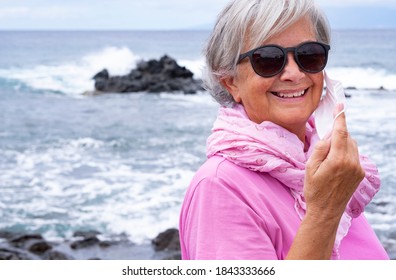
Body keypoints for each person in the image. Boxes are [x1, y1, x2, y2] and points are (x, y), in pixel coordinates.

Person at [179, 0, 389, 260]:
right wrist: (325, 211)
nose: (294, 73)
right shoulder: (220, 187)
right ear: (231, 82)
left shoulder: (324, 168)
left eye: (309, 55)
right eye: (268, 59)